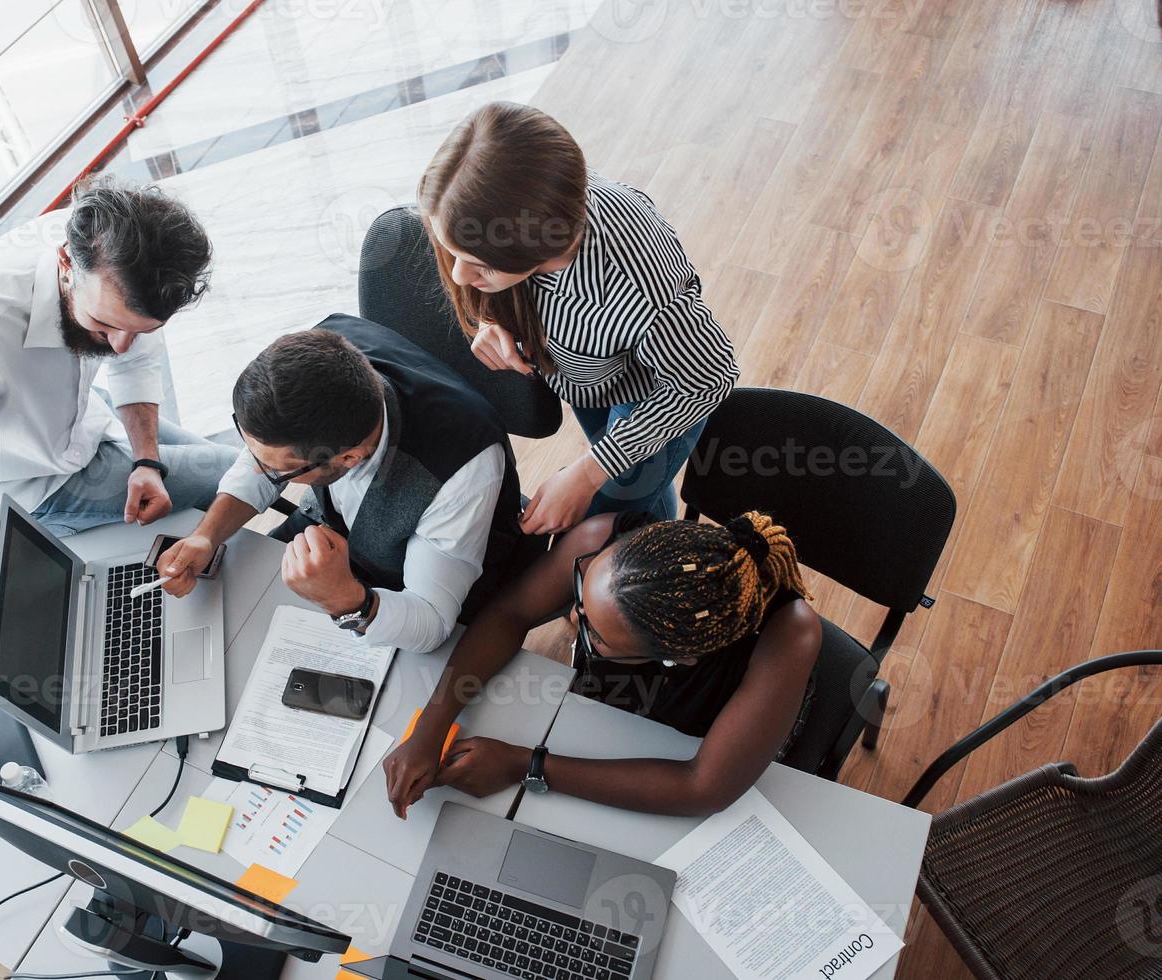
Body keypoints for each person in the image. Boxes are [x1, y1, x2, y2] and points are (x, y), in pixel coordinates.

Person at [419, 101, 738, 533]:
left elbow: (708, 377)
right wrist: (492, 318)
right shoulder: (506, 206)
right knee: (632, 504)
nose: (459, 274)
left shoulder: (638, 283)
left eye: (482, 265)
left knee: (611, 511)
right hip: (590, 376)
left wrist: (591, 471)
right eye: (452, 252)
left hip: (656, 397)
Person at [382, 510, 821, 817]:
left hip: (703, 739)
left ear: (675, 657)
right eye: (580, 596)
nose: (572, 618)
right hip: (604, 719)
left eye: (595, 634)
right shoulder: (599, 539)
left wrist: (525, 765)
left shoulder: (789, 636)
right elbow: (510, 613)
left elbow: (702, 786)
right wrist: (431, 727)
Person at [0, 176, 236, 583]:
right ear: (66, 264)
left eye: (140, 331)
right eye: (105, 326)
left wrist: (147, 462)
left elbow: (133, 364)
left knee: (245, 469)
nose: (121, 347)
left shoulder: (109, 247)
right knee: (236, 470)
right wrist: (9, 601)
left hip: (86, 419)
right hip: (36, 484)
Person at [156, 314, 526, 654]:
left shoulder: (460, 468)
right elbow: (265, 458)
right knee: (228, 622)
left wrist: (344, 599)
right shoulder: (324, 352)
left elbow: (431, 622)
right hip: (333, 531)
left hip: (414, 586)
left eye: (279, 471)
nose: (258, 472)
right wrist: (207, 535)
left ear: (350, 457)